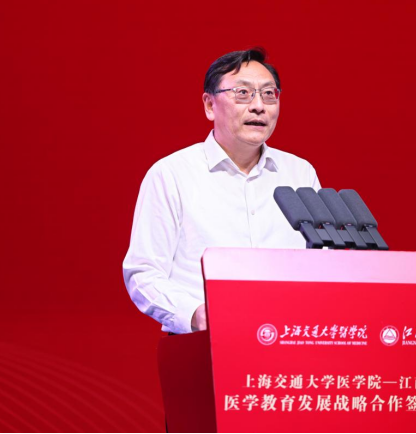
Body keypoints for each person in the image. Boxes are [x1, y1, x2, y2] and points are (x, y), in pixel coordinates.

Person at [123, 48, 321, 334]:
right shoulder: (172, 174)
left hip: (287, 338)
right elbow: (143, 273)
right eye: (243, 93)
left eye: (269, 94)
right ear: (209, 105)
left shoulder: (300, 174)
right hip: (203, 341)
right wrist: (195, 314)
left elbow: (323, 262)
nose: (258, 106)